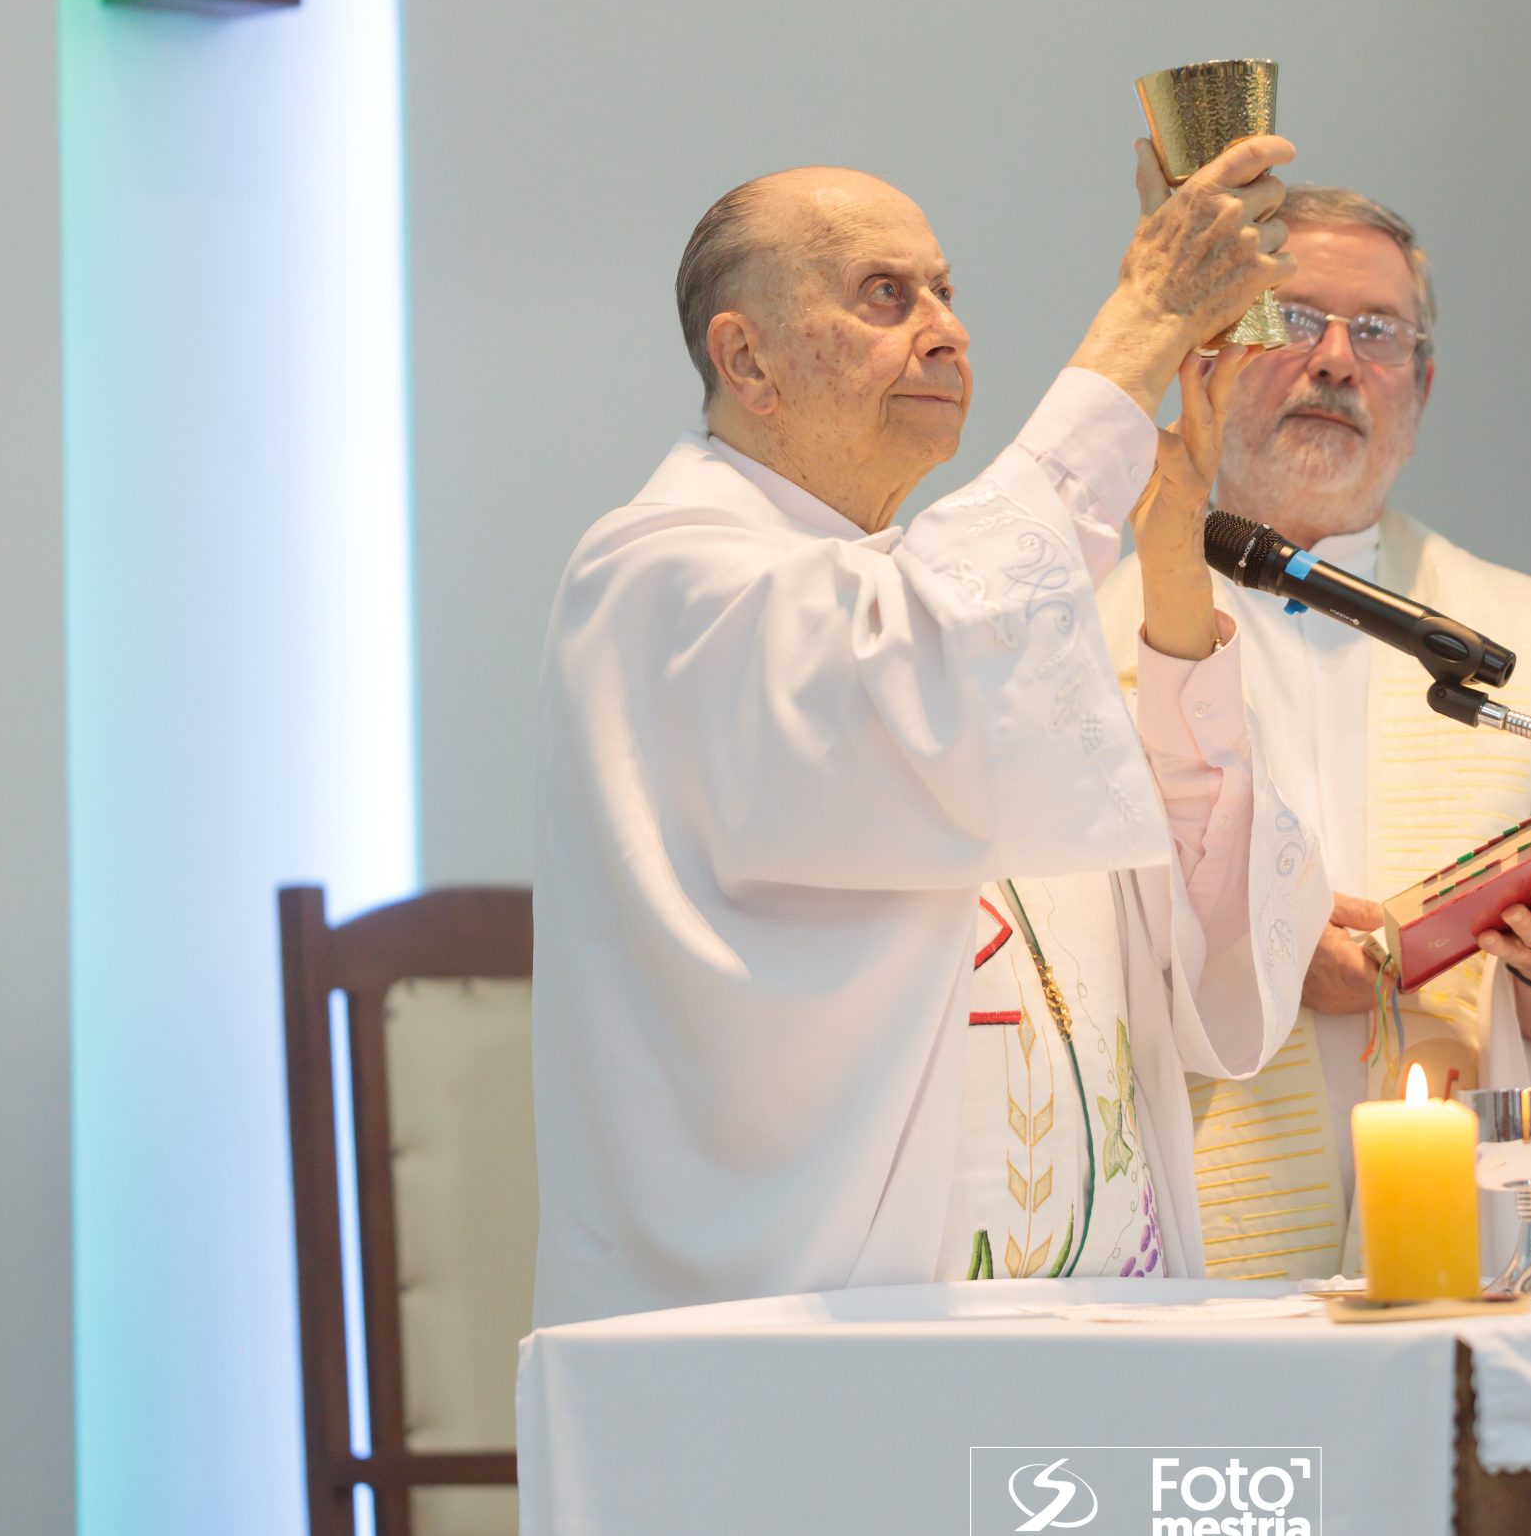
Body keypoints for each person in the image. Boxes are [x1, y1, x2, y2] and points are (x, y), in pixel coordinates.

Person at [530, 148, 1333, 1327]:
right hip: (813, 1353)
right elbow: (912, 666)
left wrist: (1172, 572)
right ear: (744, 356)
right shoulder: (659, 579)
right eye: (884, 296)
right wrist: (1143, 322)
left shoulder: (947, 610)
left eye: (946, 291)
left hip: (1088, 1329)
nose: (946, 332)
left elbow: (1185, 959)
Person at [1100, 184, 1531, 1283]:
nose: (1334, 360)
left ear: (1421, 389)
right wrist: (1266, 954)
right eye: (1288, 319)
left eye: (1375, 333)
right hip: (1195, 1246)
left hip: (1472, 1231)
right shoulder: (1097, 632)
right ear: (1206, 360)